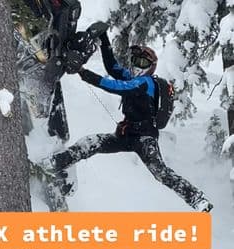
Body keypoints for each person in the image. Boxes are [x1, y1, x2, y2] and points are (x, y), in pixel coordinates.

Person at [40, 23, 213, 212]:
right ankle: (50, 165)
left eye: (143, 63)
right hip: (126, 134)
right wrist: (104, 39)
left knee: (160, 173)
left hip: (145, 139)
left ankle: (198, 199)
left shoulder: (146, 83)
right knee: (91, 143)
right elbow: (113, 67)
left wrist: (83, 72)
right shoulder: (133, 78)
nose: (138, 67)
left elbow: (116, 86)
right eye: (136, 62)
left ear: (151, 67)